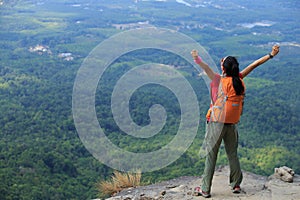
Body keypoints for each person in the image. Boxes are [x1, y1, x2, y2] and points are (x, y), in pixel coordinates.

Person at [191, 45, 280, 198]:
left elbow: (205, 67)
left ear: (224, 69)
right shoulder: (239, 79)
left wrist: (196, 58)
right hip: (231, 124)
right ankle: (236, 184)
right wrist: (271, 55)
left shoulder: (218, 80)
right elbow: (254, 64)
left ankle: (205, 189)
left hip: (215, 123)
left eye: (222, 62)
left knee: (211, 156)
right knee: (232, 154)